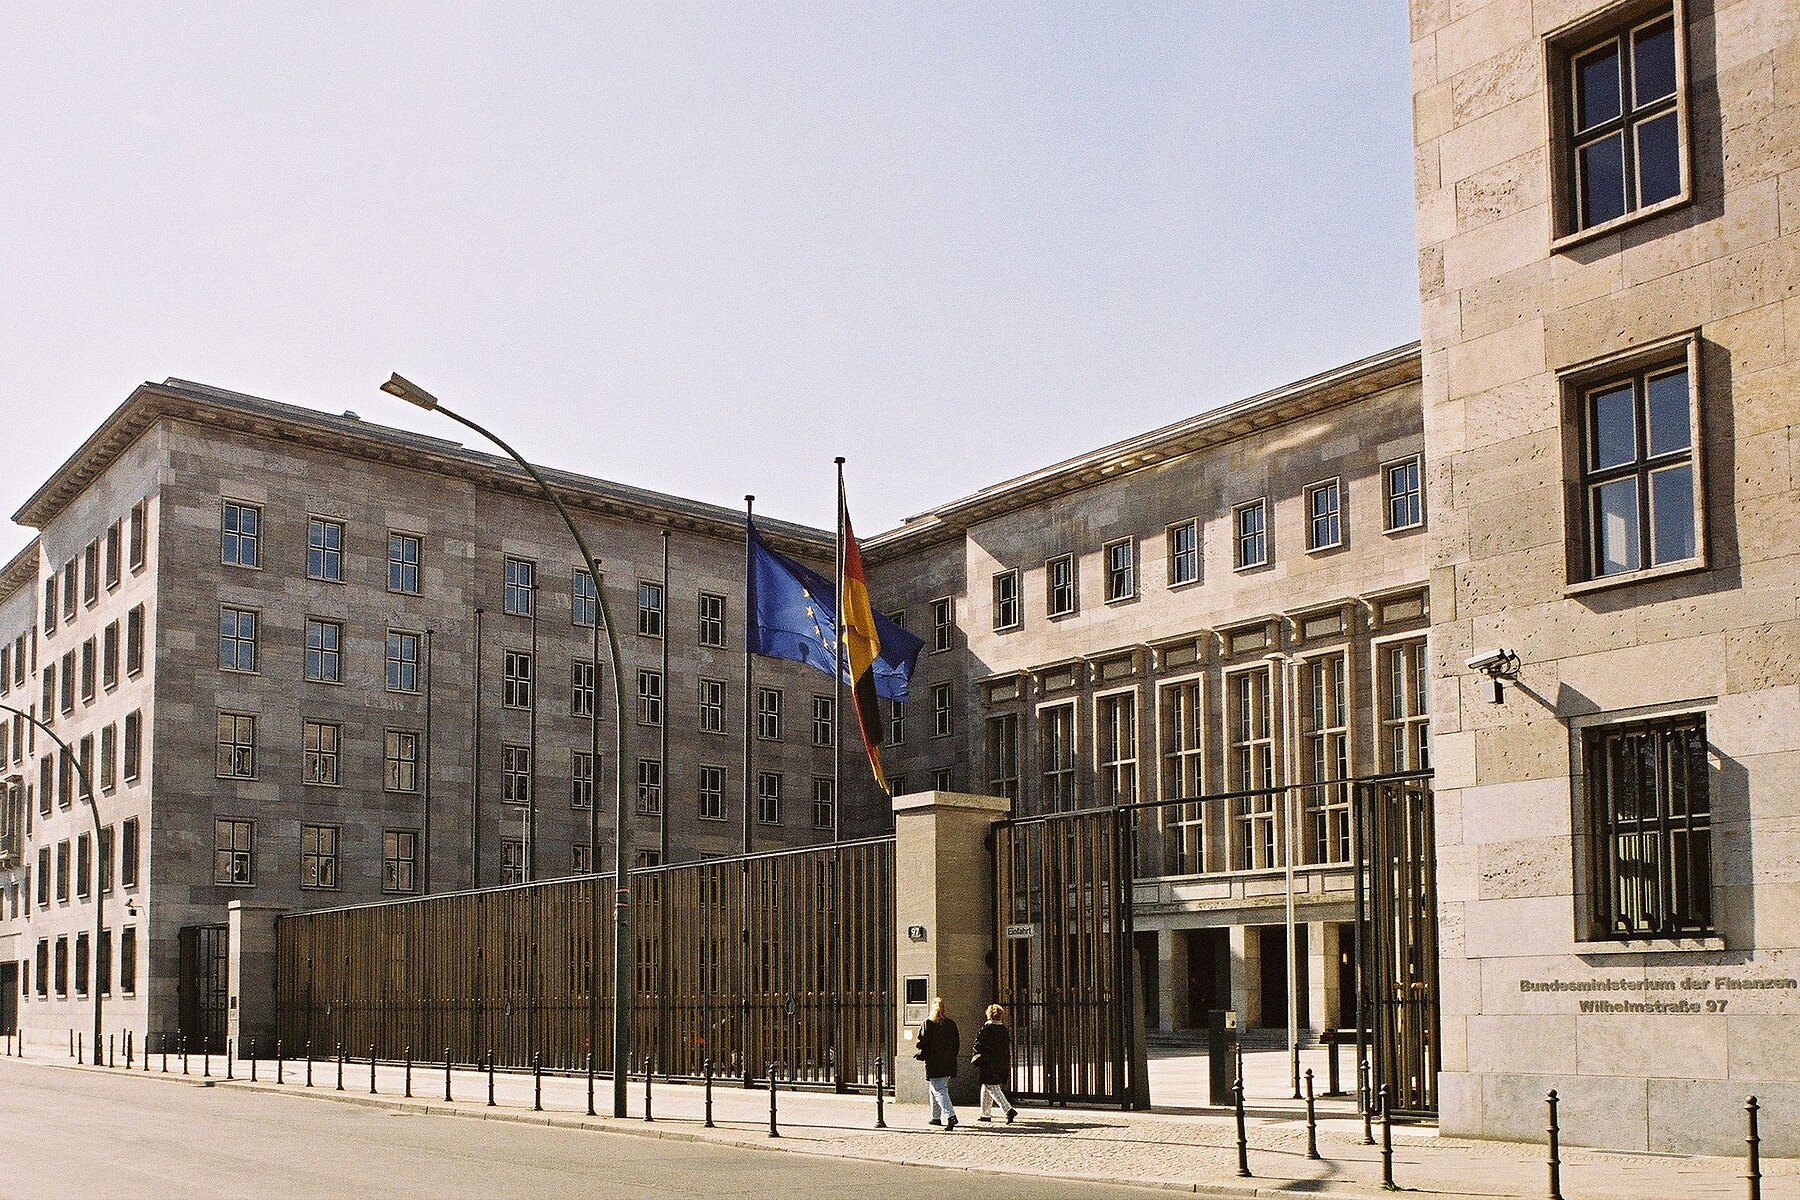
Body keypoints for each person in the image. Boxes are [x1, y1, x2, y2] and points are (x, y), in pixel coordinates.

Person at [916, 996, 960, 1130]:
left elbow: (921, 1042)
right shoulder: (950, 1024)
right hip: (948, 1061)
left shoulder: (928, 1023)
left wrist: (921, 1054)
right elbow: (956, 1044)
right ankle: (935, 1117)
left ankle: (950, 1115)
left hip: (934, 1062)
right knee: (935, 1088)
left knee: (939, 1090)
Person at [971, 1003, 1018, 1124]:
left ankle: (1008, 1109)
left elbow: (978, 1045)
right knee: (986, 1086)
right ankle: (985, 1114)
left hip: (988, 1062)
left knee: (992, 1086)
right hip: (1001, 1061)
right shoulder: (1003, 1030)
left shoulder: (986, 1029)